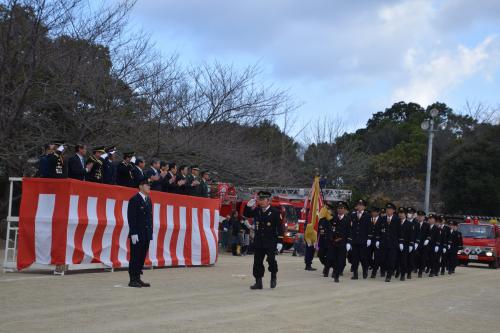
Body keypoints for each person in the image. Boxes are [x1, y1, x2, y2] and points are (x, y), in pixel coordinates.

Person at [244, 191, 284, 290]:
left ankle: (273, 275)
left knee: (271, 260)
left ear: (268, 200)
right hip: (258, 241)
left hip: (270, 241)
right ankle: (258, 282)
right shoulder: (257, 210)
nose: (261, 201)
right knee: (257, 262)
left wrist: (280, 241)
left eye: (263, 200)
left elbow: (280, 227)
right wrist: (248, 206)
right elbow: (247, 214)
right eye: (259, 199)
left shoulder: (275, 212)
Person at [127, 178, 153, 288]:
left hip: (146, 233)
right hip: (137, 233)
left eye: (149, 185)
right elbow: (131, 217)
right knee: (135, 256)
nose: (149, 187)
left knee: (142, 256)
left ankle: (138, 277)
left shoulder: (148, 200)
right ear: (140, 186)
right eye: (147, 185)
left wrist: (150, 233)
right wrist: (133, 233)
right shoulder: (134, 199)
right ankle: (132, 279)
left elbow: (149, 218)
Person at [377, 203, 401, 282]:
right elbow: (378, 230)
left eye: (390, 209)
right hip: (383, 243)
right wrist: (378, 240)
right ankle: (385, 270)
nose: (388, 210)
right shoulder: (382, 219)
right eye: (387, 209)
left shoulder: (397, 219)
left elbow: (399, 232)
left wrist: (400, 242)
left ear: (393, 210)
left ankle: (389, 275)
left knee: (391, 260)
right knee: (382, 259)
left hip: (393, 244)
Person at [347, 199, 371, 279]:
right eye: (358, 205)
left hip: (363, 240)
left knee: (363, 257)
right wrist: (350, 239)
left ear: (364, 206)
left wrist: (369, 238)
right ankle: (355, 274)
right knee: (355, 258)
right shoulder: (353, 215)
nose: (359, 206)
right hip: (355, 240)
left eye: (361, 205)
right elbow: (350, 228)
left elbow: (369, 228)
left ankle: (365, 270)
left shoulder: (367, 215)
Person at [328, 201, 349, 283]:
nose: (340, 210)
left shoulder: (347, 219)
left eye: (342, 208)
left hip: (342, 242)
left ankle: (336, 275)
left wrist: (348, 242)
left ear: (344, 210)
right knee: (332, 258)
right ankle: (334, 270)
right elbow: (330, 230)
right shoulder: (333, 218)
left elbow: (349, 231)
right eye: (339, 208)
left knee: (340, 260)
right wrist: (331, 238)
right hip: (333, 242)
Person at [398, 207, 415, 281]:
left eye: (402, 213)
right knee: (396, 259)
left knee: (404, 260)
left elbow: (411, 235)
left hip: (406, 244)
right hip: (396, 243)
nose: (401, 215)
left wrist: (411, 244)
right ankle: (397, 271)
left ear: (405, 214)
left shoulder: (409, 224)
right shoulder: (396, 222)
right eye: (400, 213)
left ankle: (403, 274)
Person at [317, 205, 333, 277]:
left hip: (331, 241)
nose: (328, 211)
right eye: (327, 209)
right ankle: (328, 265)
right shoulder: (322, 220)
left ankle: (326, 270)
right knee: (320, 256)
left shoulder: (333, 220)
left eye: (329, 210)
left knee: (329, 257)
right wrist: (316, 241)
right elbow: (318, 231)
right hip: (322, 241)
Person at [414, 210, 430, 278]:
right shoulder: (414, 224)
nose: (420, 217)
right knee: (415, 257)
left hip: (423, 244)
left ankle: (420, 271)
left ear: (424, 217)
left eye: (421, 216)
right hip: (415, 244)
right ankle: (415, 267)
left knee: (422, 258)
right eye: (419, 216)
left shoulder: (427, 225)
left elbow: (429, 234)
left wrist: (427, 239)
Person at [369, 207, 383, 278]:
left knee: (377, 257)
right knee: (367, 256)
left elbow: (382, 231)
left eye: (375, 212)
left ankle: (374, 272)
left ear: (378, 213)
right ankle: (372, 265)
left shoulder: (382, 220)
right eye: (372, 212)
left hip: (377, 241)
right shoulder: (369, 219)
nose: (373, 213)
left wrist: (379, 240)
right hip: (369, 241)